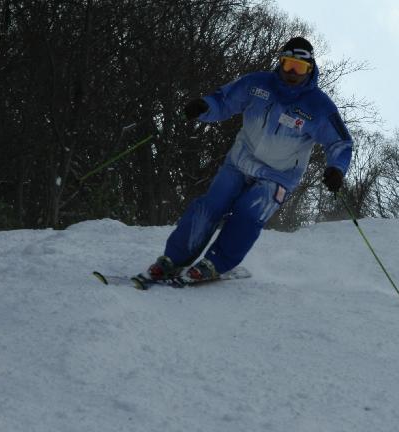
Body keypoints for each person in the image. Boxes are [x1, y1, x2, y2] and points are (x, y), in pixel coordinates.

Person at [146, 37, 353, 282]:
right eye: (288, 65)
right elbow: (224, 100)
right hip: (240, 161)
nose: (292, 73)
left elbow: (340, 142)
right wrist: (204, 107)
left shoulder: (319, 106)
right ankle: (174, 259)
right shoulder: (257, 83)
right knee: (211, 205)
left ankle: (215, 263)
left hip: (278, 176)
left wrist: (336, 168)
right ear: (280, 63)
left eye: (300, 68)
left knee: (248, 214)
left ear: (310, 69)